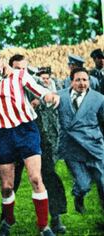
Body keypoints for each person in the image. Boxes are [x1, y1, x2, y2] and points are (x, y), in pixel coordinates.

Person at [0, 49, 60, 236]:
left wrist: (49, 96)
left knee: (36, 178)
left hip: (26, 130)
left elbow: (40, 90)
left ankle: (43, 226)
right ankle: (9, 219)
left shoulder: (18, 76)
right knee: (6, 186)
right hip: (3, 135)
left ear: (1, 61)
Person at [57, 67, 104, 214]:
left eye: (85, 80)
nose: (82, 83)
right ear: (71, 82)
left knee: (102, 183)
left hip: (94, 146)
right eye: (78, 80)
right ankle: (79, 197)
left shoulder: (99, 99)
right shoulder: (60, 97)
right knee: (83, 184)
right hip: (72, 148)